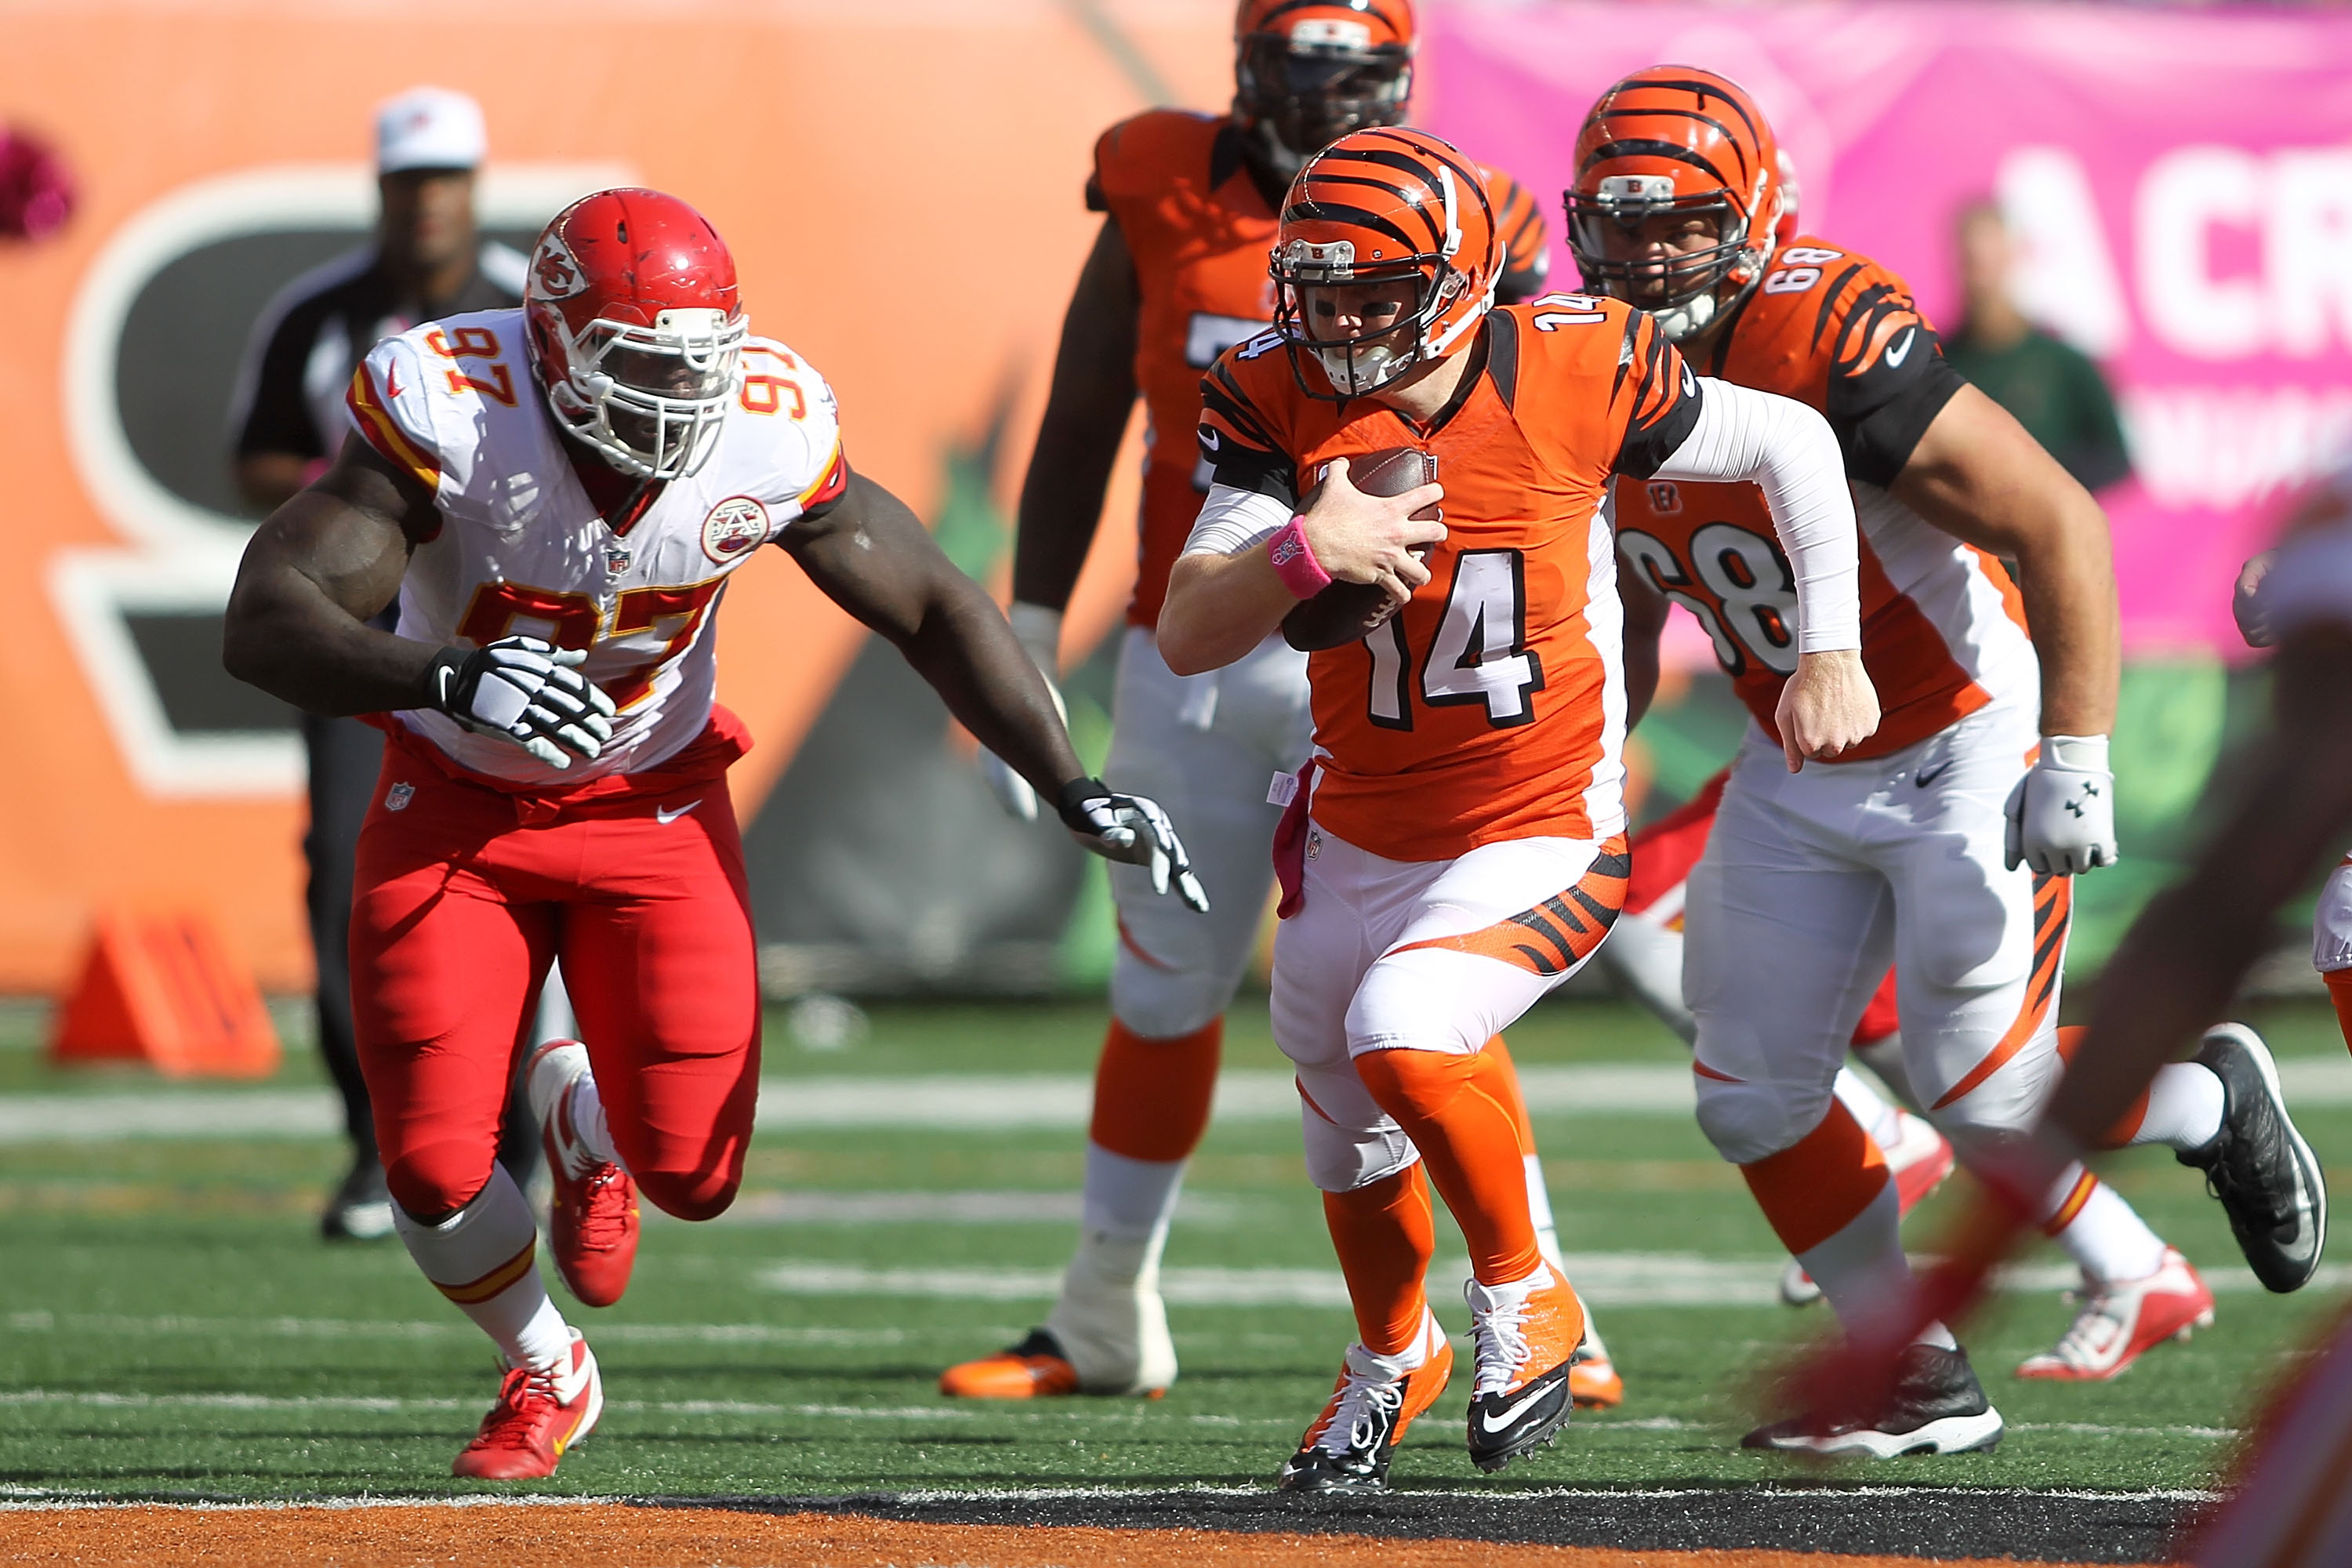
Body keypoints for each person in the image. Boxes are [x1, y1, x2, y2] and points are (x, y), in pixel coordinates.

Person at [220, 187, 1207, 1479]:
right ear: (556, 348)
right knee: (434, 1167)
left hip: (653, 799)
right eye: (641, 369)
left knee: (695, 1174)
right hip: (460, 803)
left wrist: (1069, 779)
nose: (680, 404)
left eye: (701, 368)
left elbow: (927, 604)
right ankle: (545, 1368)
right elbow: (266, 615)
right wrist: (443, 677)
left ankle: (589, 1127)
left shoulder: (766, 430)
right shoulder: (457, 408)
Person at [1576, 67, 2318, 1446]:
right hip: (1797, 753)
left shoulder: (1820, 332)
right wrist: (1571, 776)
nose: (1646, 257)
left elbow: (2060, 522)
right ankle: (1908, 1374)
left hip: (1968, 731)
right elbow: (1625, 595)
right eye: (1619, 228)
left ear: (1752, 217)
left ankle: (2210, 1097)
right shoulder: (1584, 365)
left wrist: (2076, 758)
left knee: (1987, 1092)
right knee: (1749, 1090)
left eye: (1678, 224)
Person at [1157, 127, 1875, 1490]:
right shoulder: (1271, 388)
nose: (1341, 321)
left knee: (1402, 1029)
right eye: (1320, 289)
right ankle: (1390, 1359)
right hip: (1355, 819)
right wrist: (1311, 549)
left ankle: (1528, 1292)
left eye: (1375, 291)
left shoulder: (1572, 358)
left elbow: (1785, 437)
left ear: (1458, 281)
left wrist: (1827, 644)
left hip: (1535, 819)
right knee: (1334, 1098)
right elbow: (1190, 629)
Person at [942, 0, 1623, 1410]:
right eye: (1299, 71)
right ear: (1244, 71)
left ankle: (1539, 1294)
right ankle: (1105, 1309)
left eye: (1357, 74)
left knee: (1432, 982)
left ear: (1404, 79)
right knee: (1165, 983)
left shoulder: (1470, 209)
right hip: (1202, 629)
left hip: (1409, 654)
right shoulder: (1159, 178)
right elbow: (1081, 409)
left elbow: (1552, 440)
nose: (1326, 101)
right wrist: (1026, 624)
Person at [1818, 514, 2337, 1563]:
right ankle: (2190, 1140)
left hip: (1943, 744)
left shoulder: (1842, 371)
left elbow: (2232, 896)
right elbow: (2222, 908)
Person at [228, 85, 534, 1242]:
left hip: (503, 635)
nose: (430, 203)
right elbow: (254, 459)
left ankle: (512, 1144)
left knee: (519, 883)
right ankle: (377, 1147)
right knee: (353, 887)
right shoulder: (320, 313)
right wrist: (362, 486)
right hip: (362, 643)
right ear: (382, 190)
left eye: (447, 179)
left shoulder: (525, 307)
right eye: (412, 182)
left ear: (475, 184)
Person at [1941, 201, 2131, 495]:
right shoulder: (1938, 361)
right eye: (1973, 261)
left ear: (2012, 257)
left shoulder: (2062, 362)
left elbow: (2114, 456)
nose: (1982, 275)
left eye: (1990, 260)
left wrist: (2041, 484)